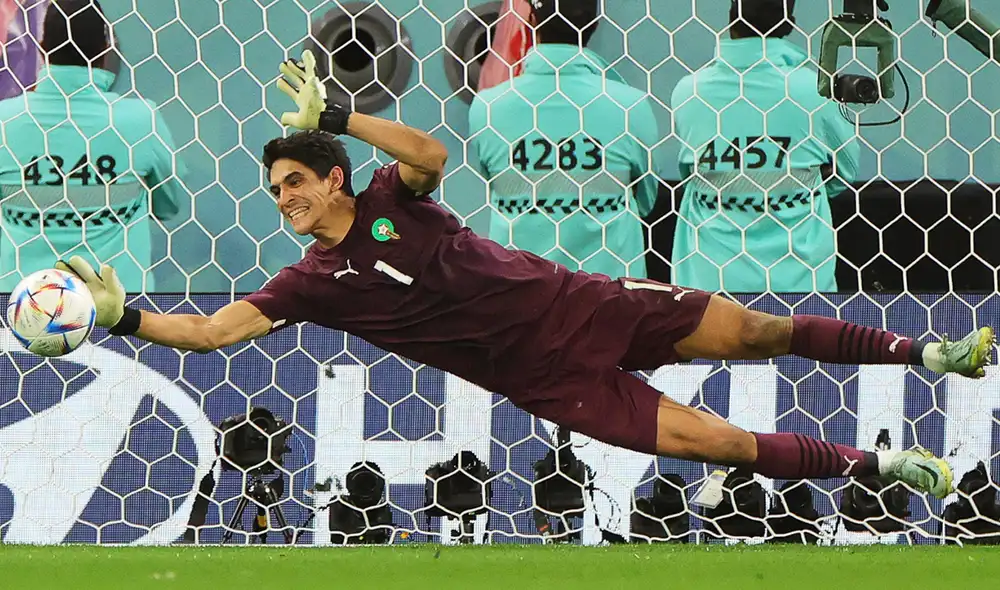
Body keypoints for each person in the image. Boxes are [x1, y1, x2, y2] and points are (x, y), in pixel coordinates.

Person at [59, 50, 994, 502]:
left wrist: (342, 110)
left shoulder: (393, 197)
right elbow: (215, 332)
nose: (285, 199)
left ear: (333, 174)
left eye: (295, 181)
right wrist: (121, 317)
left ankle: (932, 350)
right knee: (726, 447)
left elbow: (429, 148)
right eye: (274, 190)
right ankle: (892, 465)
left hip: (585, 304)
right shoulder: (311, 281)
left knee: (760, 331)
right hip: (547, 379)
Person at [670, 0, 860, 293]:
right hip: (801, 288)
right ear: (789, 22)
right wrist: (795, 189)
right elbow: (845, 172)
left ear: (732, 16)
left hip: (707, 292)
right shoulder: (815, 92)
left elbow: (688, 177)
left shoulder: (688, 92)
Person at [0, 0, 185, 292]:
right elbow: (168, 204)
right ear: (104, 51)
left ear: (42, 48)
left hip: (23, 313)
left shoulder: (4, 122)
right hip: (119, 319)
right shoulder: (141, 120)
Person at [469, 0, 660, 280]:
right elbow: (646, 201)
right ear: (594, 24)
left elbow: (494, 186)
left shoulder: (487, 107)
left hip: (517, 296)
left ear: (531, 21)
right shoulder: (630, 106)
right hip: (610, 302)